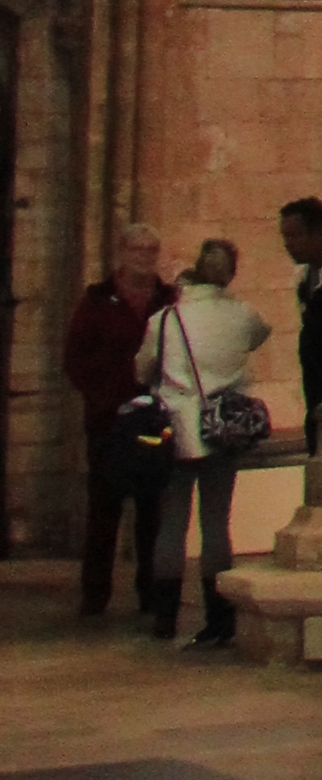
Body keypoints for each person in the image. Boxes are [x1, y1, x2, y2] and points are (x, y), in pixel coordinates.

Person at [144, 237, 272, 649]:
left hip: (178, 428)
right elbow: (259, 336)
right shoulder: (243, 314)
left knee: (172, 524)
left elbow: (144, 366)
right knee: (217, 523)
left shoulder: (165, 320)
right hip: (224, 426)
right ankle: (218, 617)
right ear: (231, 273)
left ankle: (164, 618)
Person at [63, 221, 173, 621]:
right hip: (109, 419)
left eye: (151, 250)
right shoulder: (97, 301)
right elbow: (76, 358)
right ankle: (95, 595)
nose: (144, 257)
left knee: (152, 511)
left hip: (153, 417)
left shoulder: (169, 300)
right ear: (122, 253)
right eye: (137, 249)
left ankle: (151, 591)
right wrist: (105, 396)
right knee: (104, 508)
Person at [279, 193, 322, 446]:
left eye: (294, 236)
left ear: (317, 233)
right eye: (286, 238)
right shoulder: (306, 277)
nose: (288, 245)